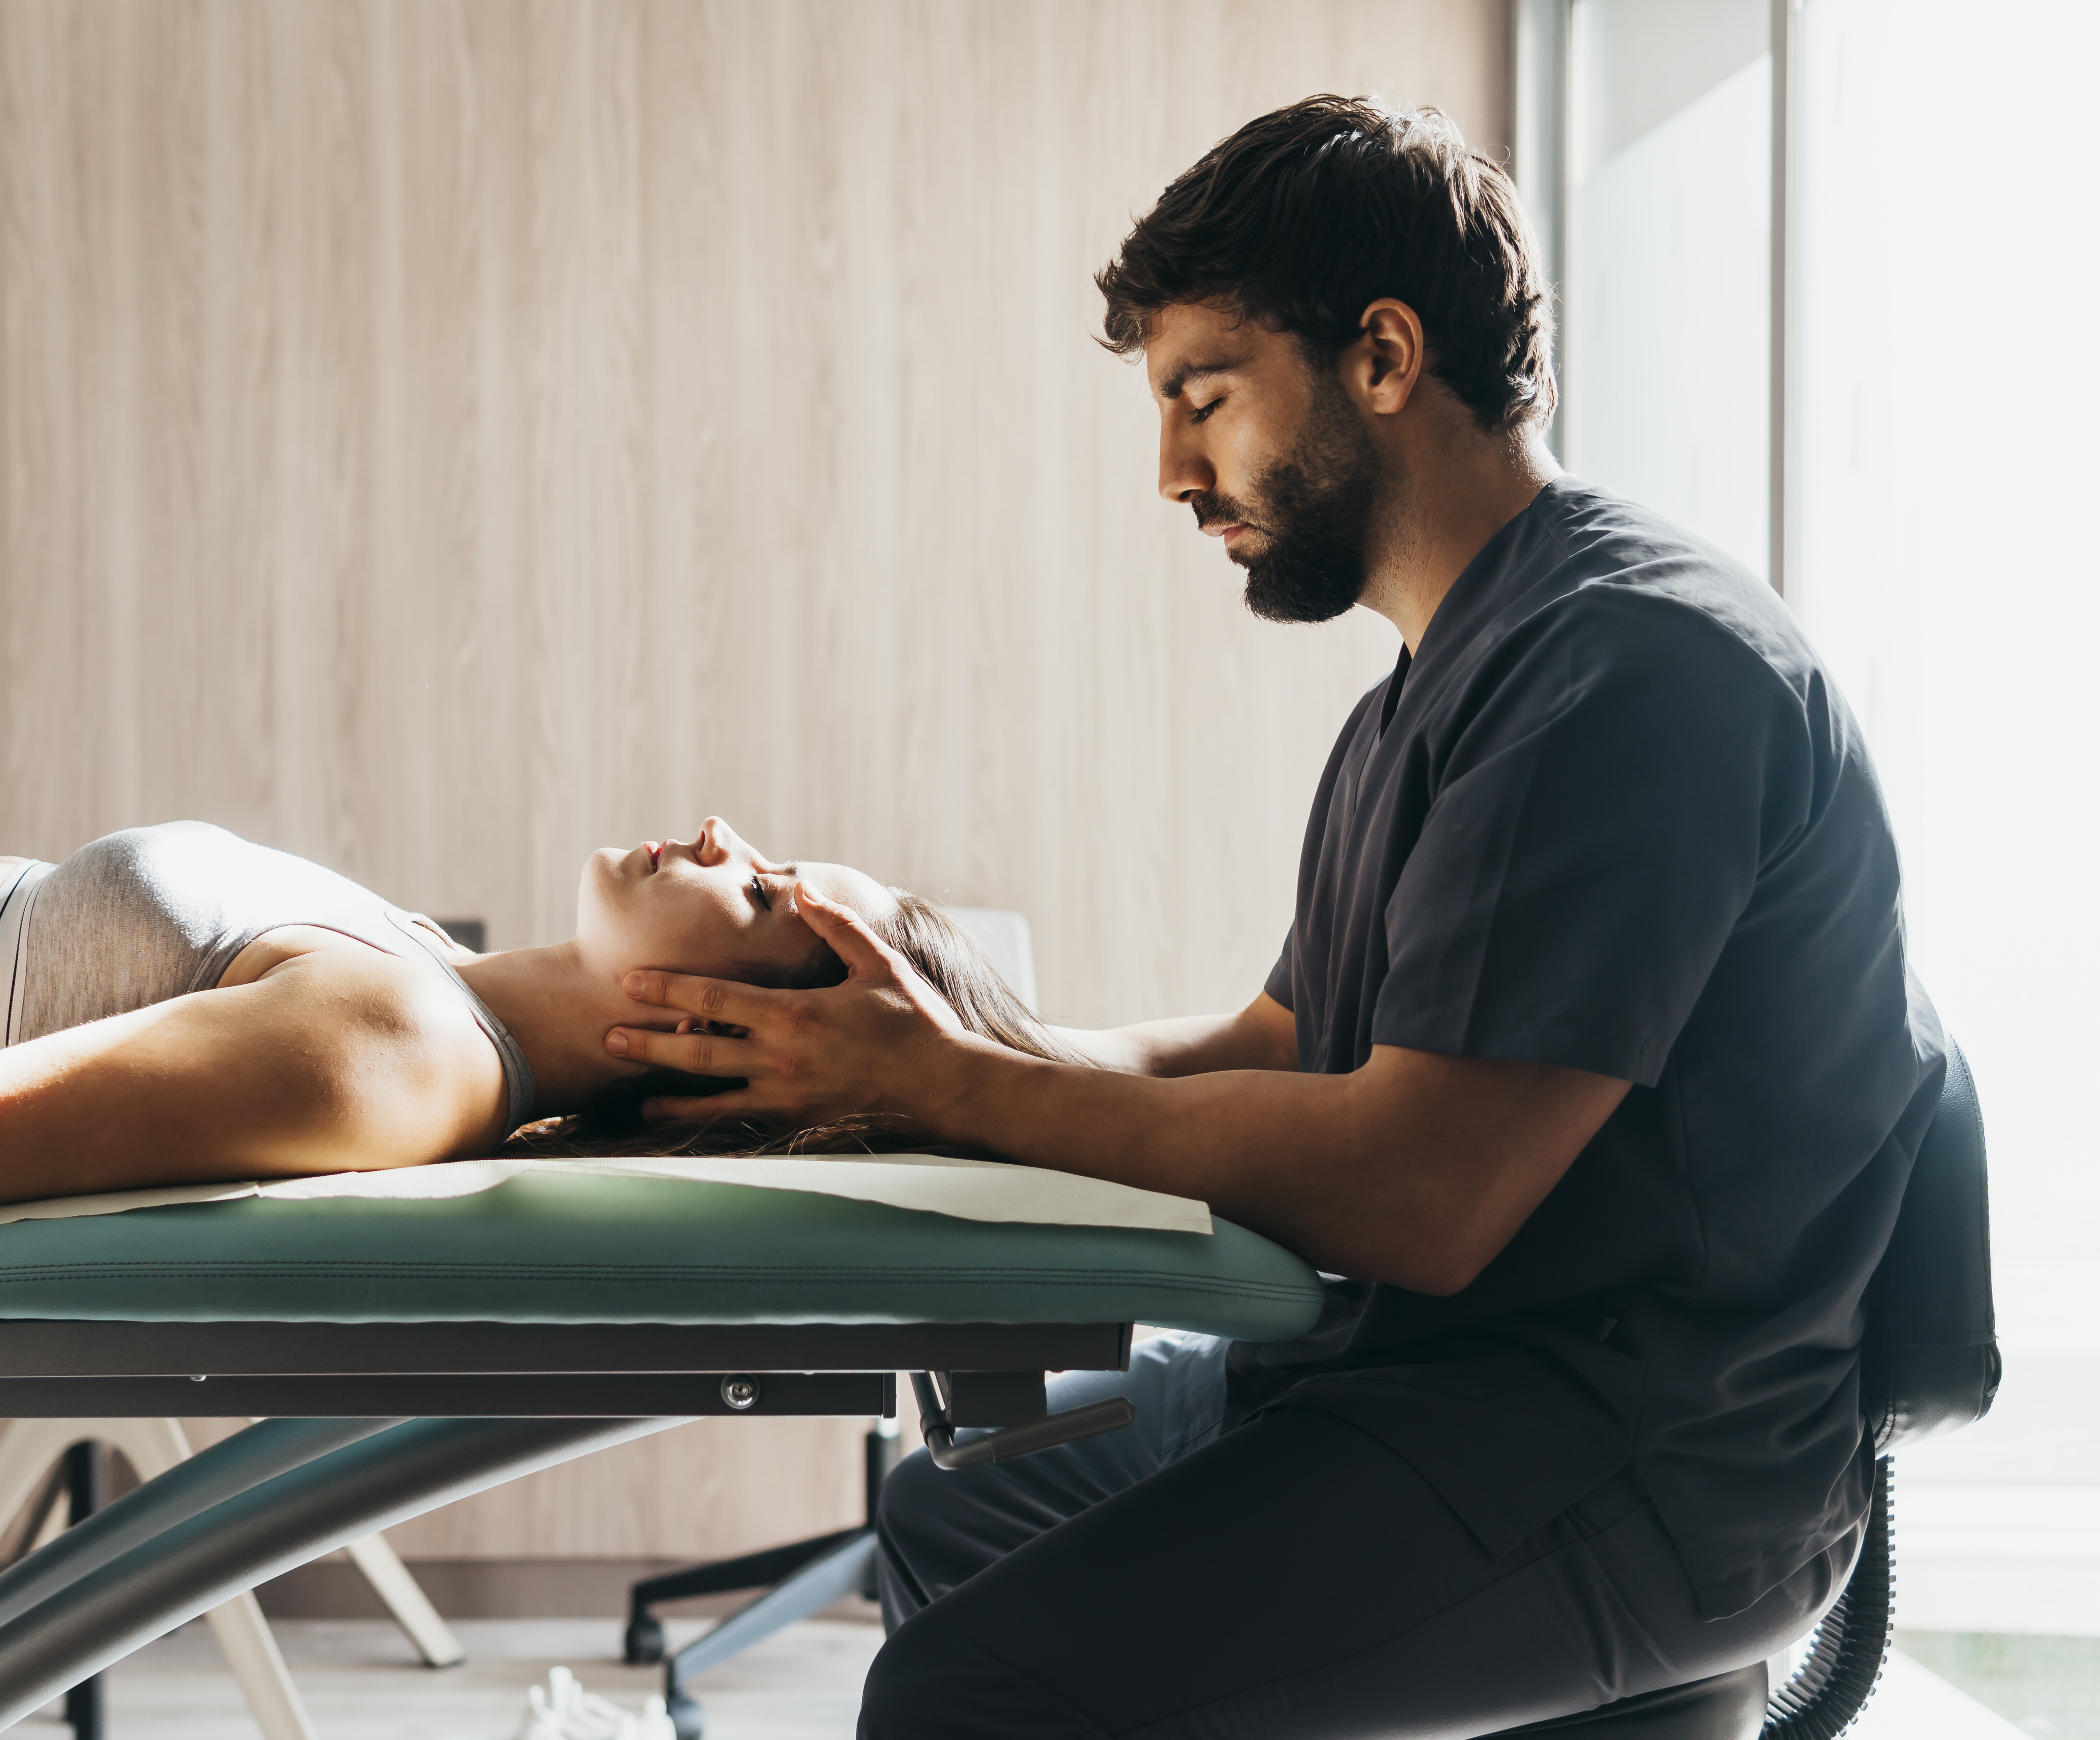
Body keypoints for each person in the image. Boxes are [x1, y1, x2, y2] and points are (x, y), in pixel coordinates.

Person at [605, 96, 1944, 1736]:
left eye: (1202, 398)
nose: (1171, 469)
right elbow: (1270, 1043)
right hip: (1428, 1379)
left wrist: (947, 1086)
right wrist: (929, 1040)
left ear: (1380, 355)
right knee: (962, 1494)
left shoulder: (1629, 674)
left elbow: (1416, 1187)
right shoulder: (1434, 684)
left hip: (1626, 1448)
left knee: (967, 1687)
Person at [0, 817, 1058, 1219]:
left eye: (768, 891)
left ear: (728, 1032)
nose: (724, 836)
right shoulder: (433, 982)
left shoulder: (399, 1055)